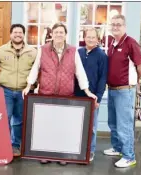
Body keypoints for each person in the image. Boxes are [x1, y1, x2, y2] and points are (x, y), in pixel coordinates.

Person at [22, 22, 97, 165]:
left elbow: (79, 72)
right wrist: (28, 85)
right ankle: (44, 154)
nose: (58, 35)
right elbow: (35, 68)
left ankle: (62, 155)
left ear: (65, 35)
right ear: (52, 34)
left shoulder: (73, 51)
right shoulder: (43, 50)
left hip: (65, 95)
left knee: (63, 126)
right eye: (56, 32)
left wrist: (87, 91)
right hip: (46, 93)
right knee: (46, 125)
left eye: (61, 32)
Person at [103, 15, 141, 168]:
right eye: (113, 24)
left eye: (118, 24)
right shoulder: (112, 43)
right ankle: (117, 148)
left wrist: (133, 82)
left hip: (124, 91)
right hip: (112, 89)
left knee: (124, 125)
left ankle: (129, 156)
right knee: (113, 122)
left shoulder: (130, 43)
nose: (115, 27)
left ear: (124, 26)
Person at [0, 24, 37, 157]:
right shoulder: (1, 50)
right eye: (15, 32)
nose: (17, 34)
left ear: (23, 34)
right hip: (6, 90)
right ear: (10, 34)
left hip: (24, 91)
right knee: (4, 118)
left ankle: (15, 146)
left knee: (19, 120)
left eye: (20, 32)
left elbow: (37, 70)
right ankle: (3, 145)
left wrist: (33, 85)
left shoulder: (32, 52)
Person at [74, 27, 108, 162]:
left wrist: (98, 98)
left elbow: (102, 79)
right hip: (76, 94)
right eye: (88, 37)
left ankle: (91, 150)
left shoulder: (102, 56)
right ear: (84, 38)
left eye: (93, 37)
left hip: (92, 96)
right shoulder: (78, 52)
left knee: (92, 127)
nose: (90, 39)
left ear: (98, 39)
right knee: (77, 125)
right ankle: (76, 149)